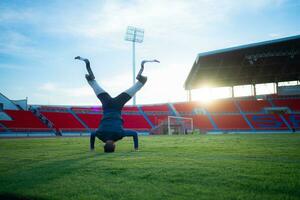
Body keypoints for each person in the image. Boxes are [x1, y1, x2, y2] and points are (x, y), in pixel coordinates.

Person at [75, 56, 158, 153]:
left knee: (139, 85)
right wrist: (92, 148)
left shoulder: (119, 135)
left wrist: (136, 148)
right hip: (106, 105)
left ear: (114, 145)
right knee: (93, 84)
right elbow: (93, 134)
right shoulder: (101, 135)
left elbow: (135, 134)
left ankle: (141, 71)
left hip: (117, 106)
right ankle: (87, 65)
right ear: (104, 145)